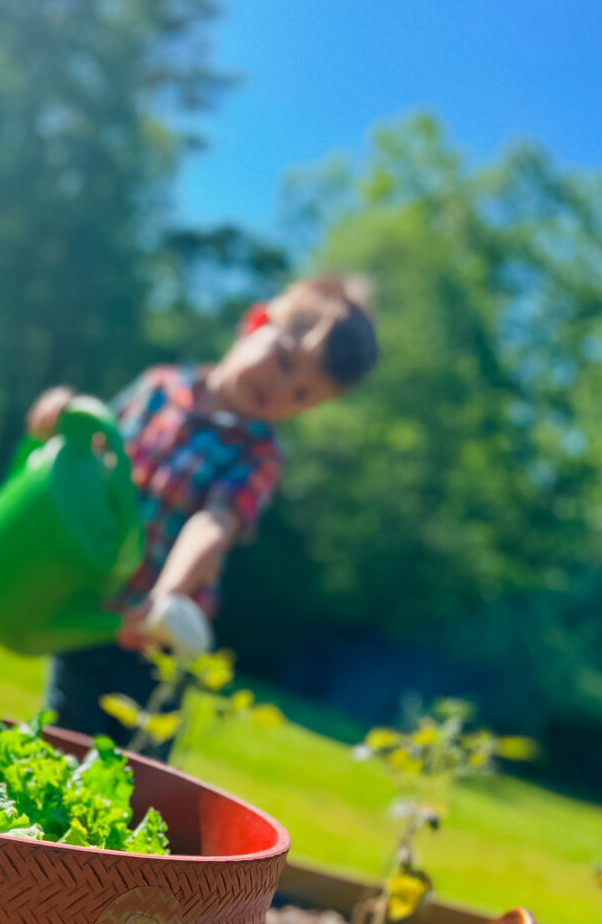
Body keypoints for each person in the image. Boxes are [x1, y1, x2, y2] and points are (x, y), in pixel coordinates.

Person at [28, 274, 378, 755]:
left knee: (132, 779)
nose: (280, 390)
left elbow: (214, 524)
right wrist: (59, 415)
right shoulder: (157, 388)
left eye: (301, 395)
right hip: (89, 608)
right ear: (255, 322)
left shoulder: (258, 456)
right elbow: (84, 456)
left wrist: (164, 598)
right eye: (283, 362)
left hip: (156, 643)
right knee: (54, 746)